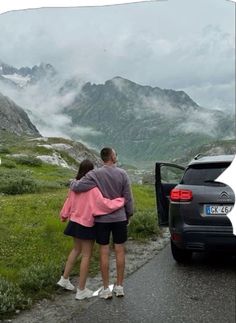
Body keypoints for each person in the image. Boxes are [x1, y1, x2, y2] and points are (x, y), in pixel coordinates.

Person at [57, 159, 125, 300]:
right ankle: (81, 290)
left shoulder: (74, 186)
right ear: (92, 172)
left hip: (74, 222)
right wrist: (121, 201)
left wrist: (64, 215)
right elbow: (103, 205)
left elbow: (68, 202)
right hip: (86, 224)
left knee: (76, 250)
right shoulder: (93, 189)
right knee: (87, 255)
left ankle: (64, 279)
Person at [70, 148, 134, 299]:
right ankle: (119, 287)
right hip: (119, 218)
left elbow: (78, 186)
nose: (116, 156)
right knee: (119, 250)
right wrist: (129, 214)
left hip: (101, 220)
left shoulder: (94, 174)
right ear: (112, 157)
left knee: (103, 251)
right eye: (115, 154)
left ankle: (105, 289)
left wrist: (71, 181)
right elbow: (128, 198)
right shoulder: (122, 174)